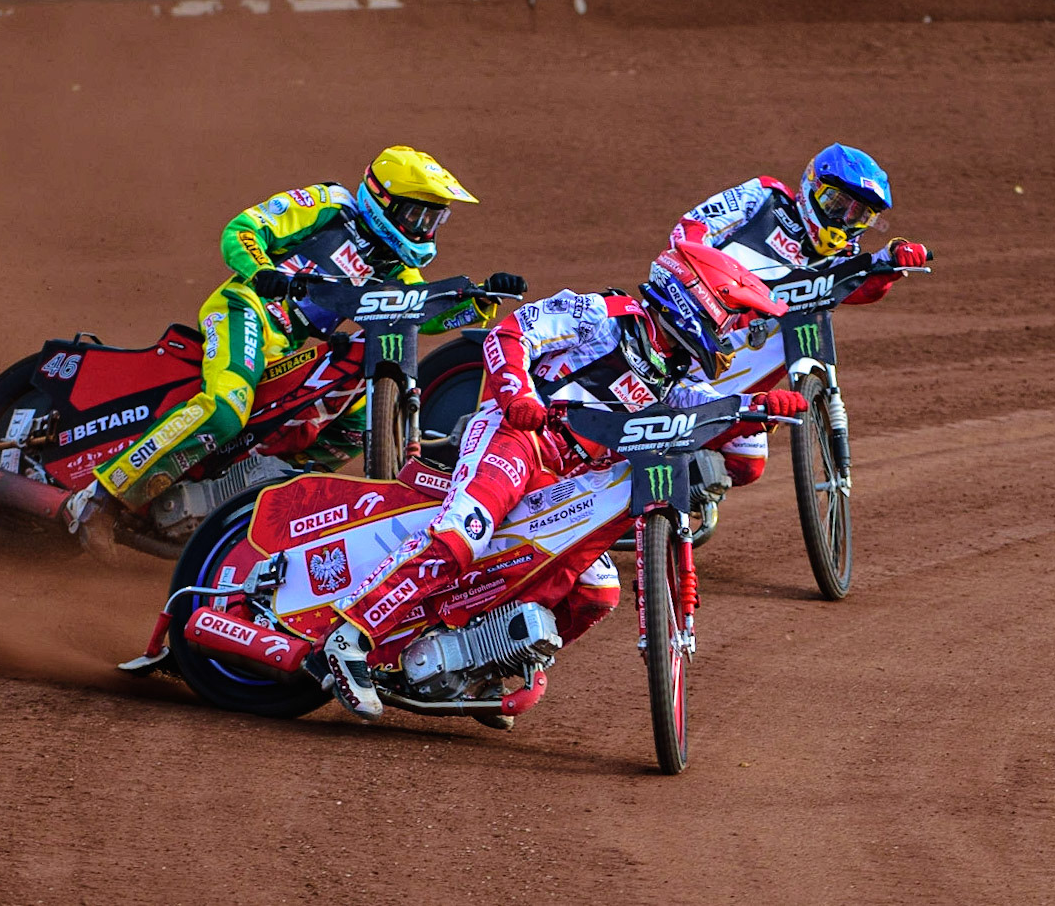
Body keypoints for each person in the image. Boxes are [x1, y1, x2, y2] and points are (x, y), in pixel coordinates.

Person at [320, 241, 806, 720]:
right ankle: (350, 635)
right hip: (517, 438)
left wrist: (759, 409)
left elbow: (707, 414)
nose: (731, 333)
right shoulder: (603, 314)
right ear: (695, 298)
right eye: (728, 318)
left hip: (568, 480)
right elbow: (510, 334)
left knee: (596, 590)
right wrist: (517, 395)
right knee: (463, 535)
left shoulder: (676, 378)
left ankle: (477, 667)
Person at [63, 146, 525, 556]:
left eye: (434, 218)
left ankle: (248, 498)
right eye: (419, 214)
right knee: (226, 410)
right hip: (244, 311)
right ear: (385, 200)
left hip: (287, 346)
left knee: (354, 416)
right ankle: (101, 496)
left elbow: (420, 315)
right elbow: (243, 228)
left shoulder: (396, 269)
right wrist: (261, 269)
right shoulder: (329, 206)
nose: (426, 228)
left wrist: (479, 302)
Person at [661, 142, 930, 488]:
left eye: (859, 215)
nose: (843, 221)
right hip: (694, 335)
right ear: (811, 188)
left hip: (742, 361)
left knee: (747, 465)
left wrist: (895, 260)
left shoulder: (843, 254)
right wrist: (707, 278)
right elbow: (689, 229)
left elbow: (861, 285)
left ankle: (669, 509)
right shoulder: (764, 196)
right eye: (837, 204)